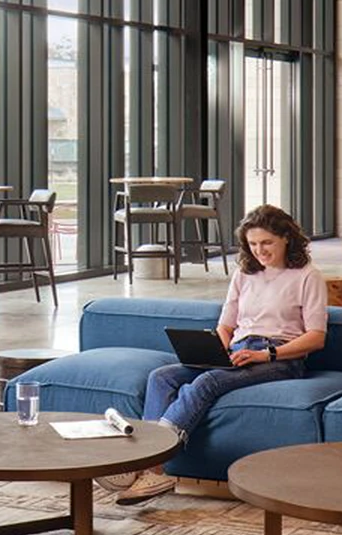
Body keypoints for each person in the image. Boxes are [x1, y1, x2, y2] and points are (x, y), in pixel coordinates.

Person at [113, 205, 328, 505]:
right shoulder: (244, 273)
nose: (259, 251)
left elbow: (316, 338)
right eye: (253, 244)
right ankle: (149, 463)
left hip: (281, 358)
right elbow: (226, 324)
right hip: (237, 351)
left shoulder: (307, 276)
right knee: (161, 377)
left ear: (286, 238)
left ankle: (150, 465)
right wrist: (218, 348)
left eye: (266, 243)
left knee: (207, 383)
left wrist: (266, 355)